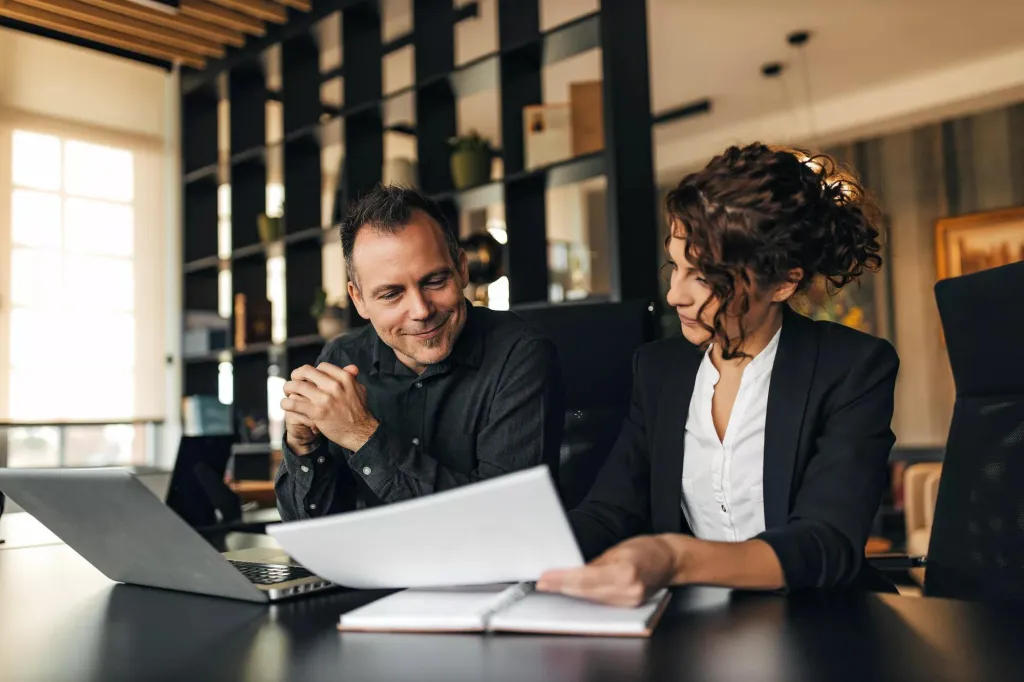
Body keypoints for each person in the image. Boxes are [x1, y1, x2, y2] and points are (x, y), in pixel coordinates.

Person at [537, 143, 899, 605]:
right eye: (676, 266)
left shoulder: (852, 367)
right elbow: (610, 510)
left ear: (784, 282)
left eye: (705, 276)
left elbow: (825, 543)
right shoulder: (659, 370)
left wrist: (677, 558)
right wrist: (519, 552)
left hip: (824, 622)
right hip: (702, 624)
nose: (675, 295)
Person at [274, 184, 565, 520]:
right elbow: (312, 529)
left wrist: (362, 435)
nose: (421, 310)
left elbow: (504, 521)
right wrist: (303, 447)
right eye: (391, 294)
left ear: (462, 269)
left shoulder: (520, 356)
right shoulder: (341, 359)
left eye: (435, 281)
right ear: (358, 300)